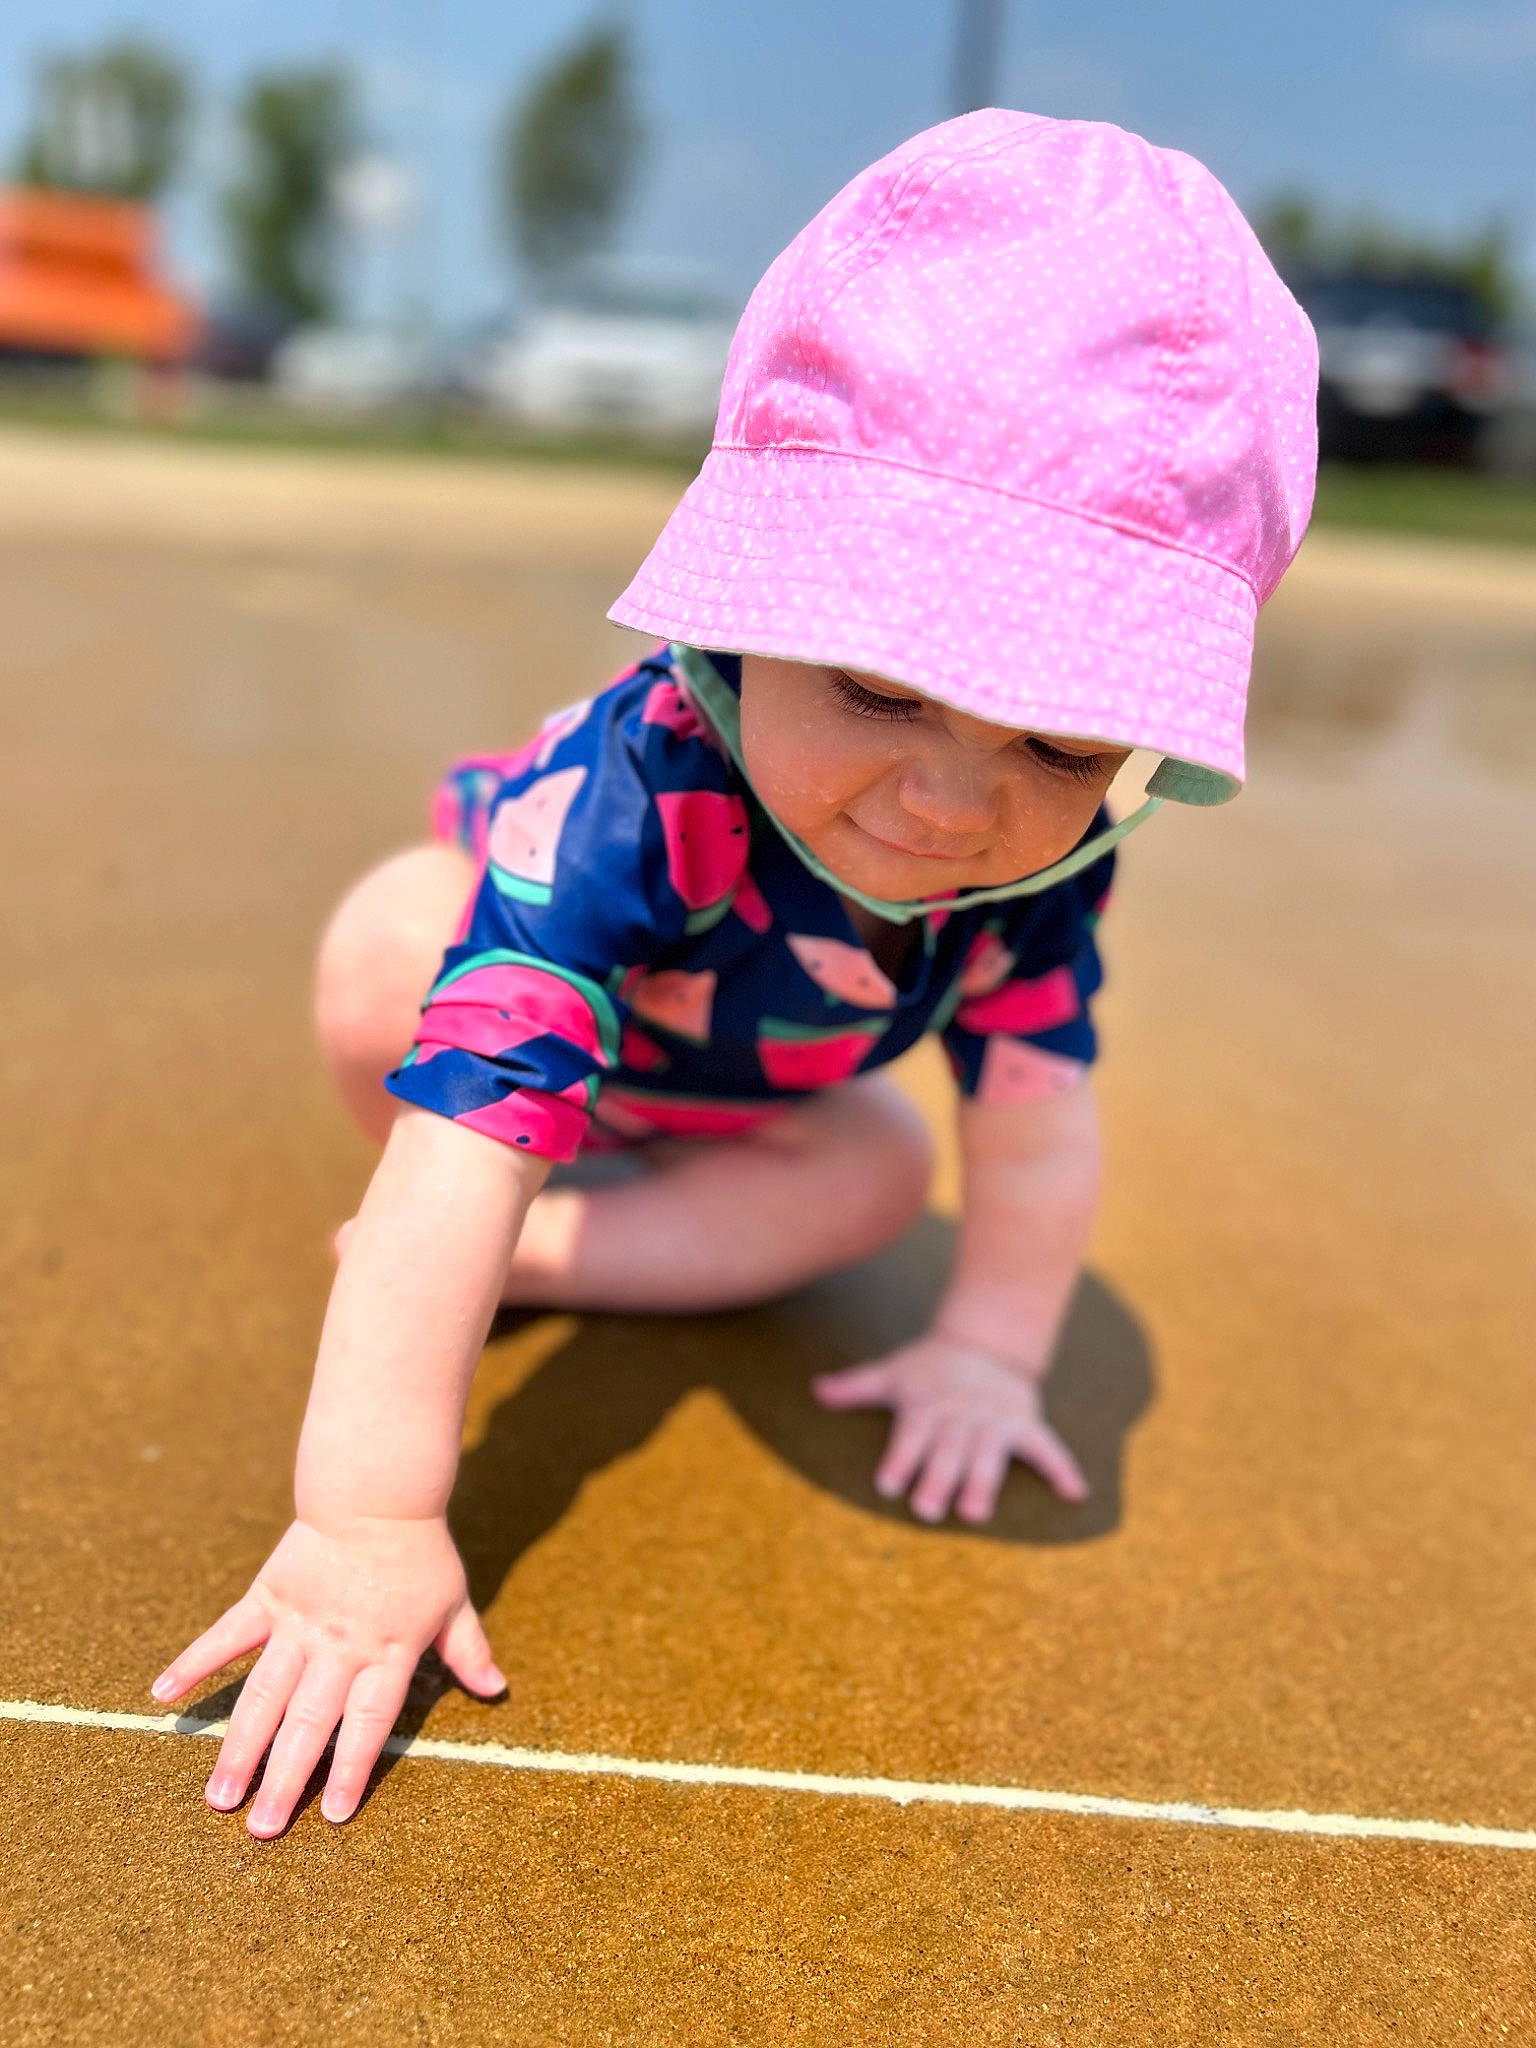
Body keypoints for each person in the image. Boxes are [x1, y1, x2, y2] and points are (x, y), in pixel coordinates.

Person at [151, 111, 1317, 1836]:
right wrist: (368, 1524)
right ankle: (491, 1240)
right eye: (875, 689)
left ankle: (556, 1252)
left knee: (881, 1176)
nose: (948, 800)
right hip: (528, 1064)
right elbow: (478, 1102)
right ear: (745, 619)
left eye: (1063, 741)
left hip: (753, 1121)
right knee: (387, 949)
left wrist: (993, 1350)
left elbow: (1033, 1123)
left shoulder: (1052, 867)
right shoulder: (636, 783)